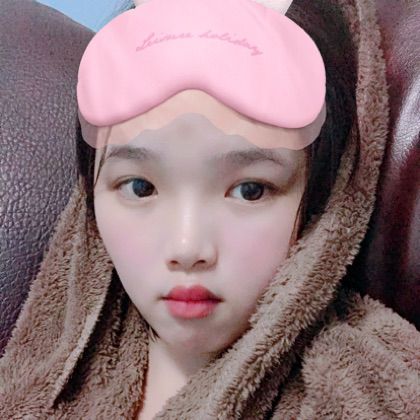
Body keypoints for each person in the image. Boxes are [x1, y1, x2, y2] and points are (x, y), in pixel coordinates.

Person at [0, 0, 419, 419]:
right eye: (140, 187)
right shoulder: (40, 370)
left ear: (324, 201)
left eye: (250, 191)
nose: (187, 248)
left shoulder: (368, 396)